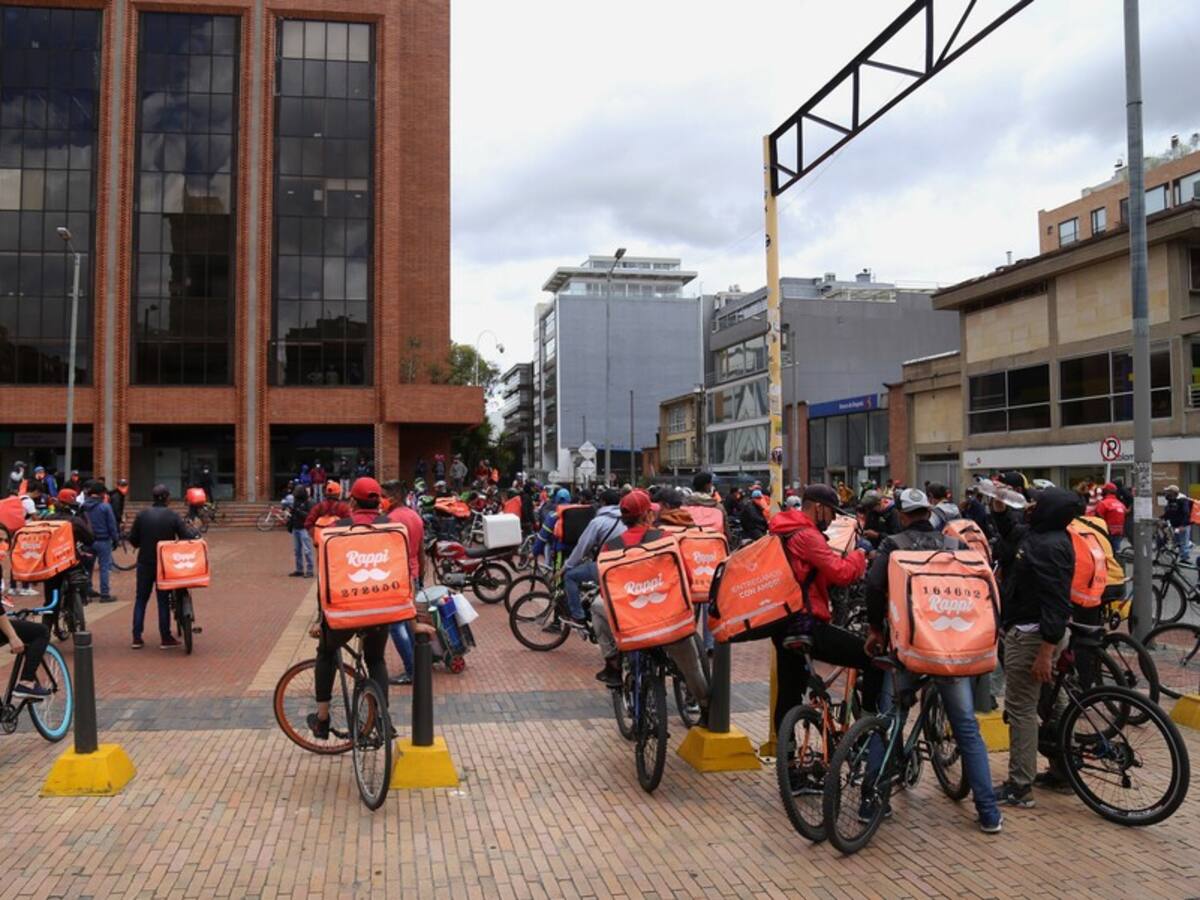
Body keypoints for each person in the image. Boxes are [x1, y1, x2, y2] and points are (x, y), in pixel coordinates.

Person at [863, 488, 1002, 833]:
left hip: (908, 649)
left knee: (889, 720)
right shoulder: (954, 546)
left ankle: (872, 799)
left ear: (902, 514)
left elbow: (873, 586)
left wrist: (874, 629)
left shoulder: (892, 544)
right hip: (951, 648)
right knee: (967, 728)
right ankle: (989, 812)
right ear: (930, 513)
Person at [306, 477, 425, 739]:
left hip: (345, 613)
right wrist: (412, 615)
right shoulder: (393, 528)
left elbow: (325, 578)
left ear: (352, 501)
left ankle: (322, 720)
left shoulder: (336, 530)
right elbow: (404, 573)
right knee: (376, 659)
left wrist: (320, 618)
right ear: (379, 501)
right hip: (383, 609)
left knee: (326, 654)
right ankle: (383, 717)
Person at [589, 490, 709, 723]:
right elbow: (686, 578)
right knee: (692, 667)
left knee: (596, 605)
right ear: (647, 516)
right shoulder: (665, 539)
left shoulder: (610, 548)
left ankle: (612, 662)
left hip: (630, 623)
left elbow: (606, 591)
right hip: (668, 622)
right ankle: (704, 708)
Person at [991, 486, 1076, 807]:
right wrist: (1000, 511)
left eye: (1036, 504)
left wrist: (1044, 651)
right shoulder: (1044, 535)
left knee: (1022, 710)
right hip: (1040, 634)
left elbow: (1056, 602)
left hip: (1033, 638)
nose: (1029, 507)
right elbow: (1013, 534)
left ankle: (1019, 785)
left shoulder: (1049, 547)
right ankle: (1063, 771)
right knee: (1055, 704)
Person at [768, 484, 870, 735]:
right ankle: (870, 727)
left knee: (789, 695)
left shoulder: (782, 531)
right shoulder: (807, 535)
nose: (834, 519)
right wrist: (860, 554)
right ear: (819, 508)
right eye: (832, 512)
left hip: (783, 623)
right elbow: (842, 574)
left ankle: (789, 762)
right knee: (872, 658)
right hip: (808, 623)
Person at [128, 485, 197, 650]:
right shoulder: (172, 516)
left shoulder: (142, 515)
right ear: (167, 497)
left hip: (145, 562)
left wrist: (141, 543)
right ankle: (165, 638)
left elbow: (133, 539)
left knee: (141, 599)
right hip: (164, 564)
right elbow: (186, 536)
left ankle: (137, 637)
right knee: (163, 600)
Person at [381, 480, 425, 686]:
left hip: (397, 577)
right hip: (412, 574)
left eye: (384, 495)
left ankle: (412, 670)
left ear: (395, 496)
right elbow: (421, 550)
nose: (381, 500)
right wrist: (421, 575)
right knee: (408, 622)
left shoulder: (391, 520)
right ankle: (417, 664)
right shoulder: (415, 516)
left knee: (396, 625)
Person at [561, 489, 625, 624]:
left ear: (603, 502)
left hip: (606, 566)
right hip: (626, 565)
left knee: (570, 576)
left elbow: (582, 547)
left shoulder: (598, 522)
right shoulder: (628, 519)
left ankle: (578, 616)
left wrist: (568, 565)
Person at [82, 483, 120, 603]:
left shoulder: (83, 506)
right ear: (102, 493)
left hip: (88, 540)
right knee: (104, 567)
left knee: (87, 568)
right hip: (103, 540)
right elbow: (112, 525)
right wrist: (115, 539)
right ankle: (105, 594)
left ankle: (87, 590)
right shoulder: (105, 507)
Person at [287, 485, 315, 578]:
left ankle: (310, 570)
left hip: (304, 528)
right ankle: (299, 569)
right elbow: (294, 514)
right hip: (296, 527)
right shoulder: (296, 501)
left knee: (307, 550)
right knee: (297, 550)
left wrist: (298, 511)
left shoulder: (308, 502)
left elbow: (309, 515)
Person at [1161, 485, 1192, 563]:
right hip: (1176, 525)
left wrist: (1183, 525)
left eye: (1168, 491)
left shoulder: (1182, 500)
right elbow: (1170, 512)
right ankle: (1187, 547)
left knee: (1183, 540)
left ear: (1173, 492)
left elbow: (1186, 513)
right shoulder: (1172, 500)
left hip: (1182, 525)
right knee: (1178, 540)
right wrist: (1162, 518)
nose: (1167, 493)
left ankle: (1185, 558)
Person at [1093, 482, 1126, 552]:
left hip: (1107, 532)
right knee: (1116, 552)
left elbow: (1098, 518)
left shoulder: (1103, 503)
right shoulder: (1120, 504)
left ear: (1106, 491)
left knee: (1106, 552)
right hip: (1119, 532)